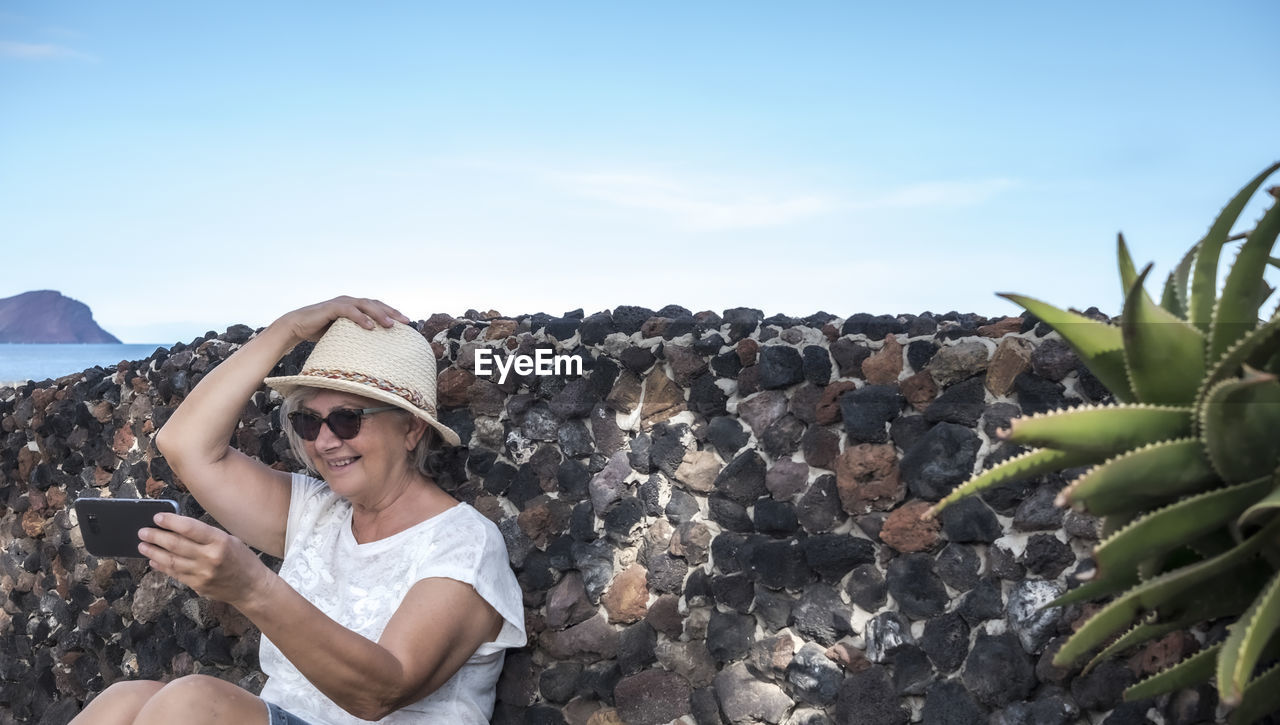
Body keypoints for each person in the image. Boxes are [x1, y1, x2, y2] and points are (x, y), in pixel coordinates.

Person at [72, 297, 526, 725]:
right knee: (122, 701)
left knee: (192, 703)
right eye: (308, 422)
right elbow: (185, 445)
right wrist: (288, 329)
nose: (325, 442)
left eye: (348, 418)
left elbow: (382, 691)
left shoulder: (464, 541)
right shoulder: (319, 511)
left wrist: (252, 588)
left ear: (410, 428)